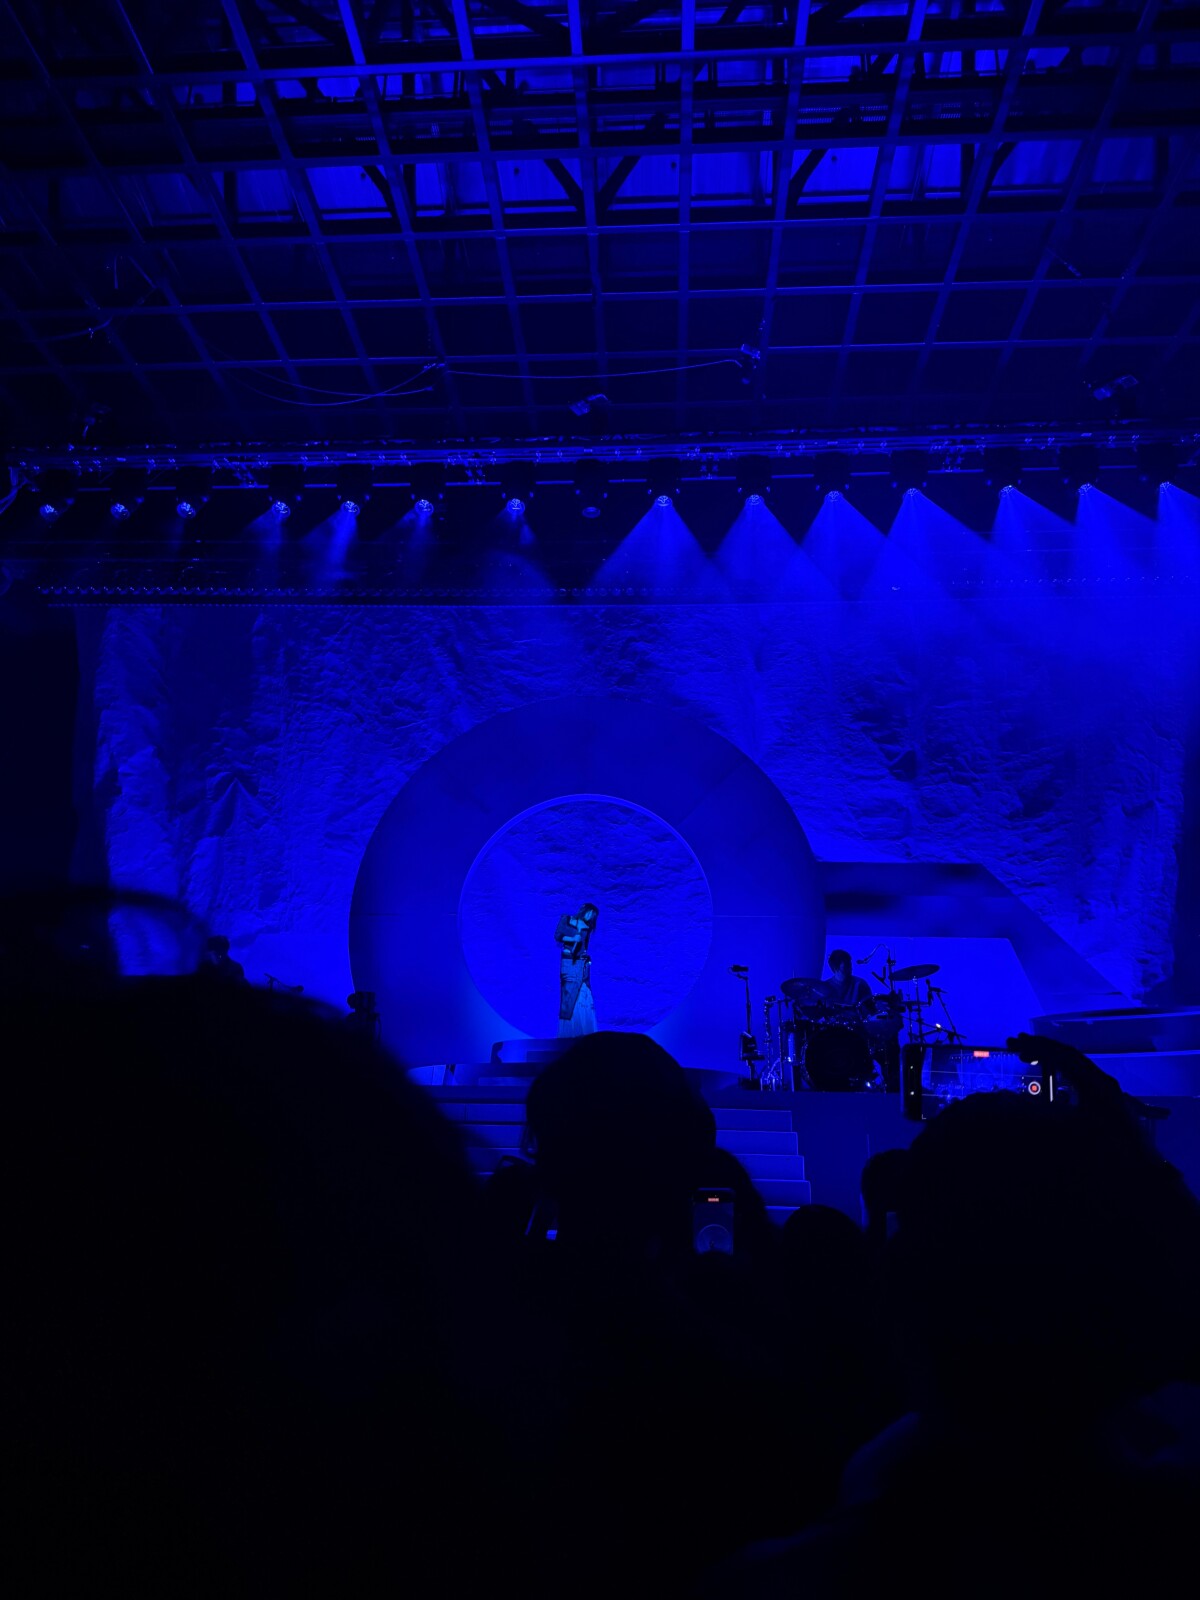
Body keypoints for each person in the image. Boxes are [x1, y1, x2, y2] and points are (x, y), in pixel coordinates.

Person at [555, 902, 598, 1037]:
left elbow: (585, 947)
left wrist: (587, 959)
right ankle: (567, 1034)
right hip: (568, 962)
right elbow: (558, 936)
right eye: (589, 913)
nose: (590, 917)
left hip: (581, 963)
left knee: (584, 994)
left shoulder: (587, 928)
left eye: (593, 916)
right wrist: (572, 938)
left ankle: (586, 1035)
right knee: (568, 996)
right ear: (584, 910)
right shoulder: (566, 919)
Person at [818, 948, 873, 1014]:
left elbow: (870, 1008)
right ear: (836, 966)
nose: (851, 967)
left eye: (850, 964)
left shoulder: (860, 984)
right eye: (847, 964)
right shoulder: (825, 987)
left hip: (857, 1019)